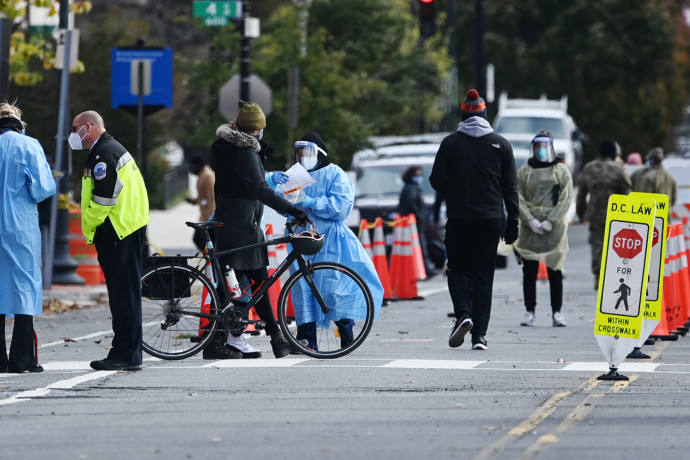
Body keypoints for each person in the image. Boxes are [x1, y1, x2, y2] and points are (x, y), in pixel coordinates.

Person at [267, 132, 384, 350]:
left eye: (307, 153)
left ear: (319, 154)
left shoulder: (335, 174)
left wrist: (311, 201)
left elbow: (340, 207)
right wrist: (278, 189)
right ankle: (307, 340)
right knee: (301, 288)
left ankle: (346, 333)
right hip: (300, 237)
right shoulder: (294, 176)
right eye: (300, 153)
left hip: (329, 239)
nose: (303, 157)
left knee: (331, 287)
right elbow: (283, 205)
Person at [211, 100, 310, 359]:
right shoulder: (244, 152)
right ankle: (227, 340)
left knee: (245, 283)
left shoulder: (234, 148)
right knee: (244, 283)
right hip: (240, 225)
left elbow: (247, 183)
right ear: (257, 129)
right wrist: (292, 209)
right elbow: (257, 188)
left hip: (238, 222)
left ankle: (254, 339)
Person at [430, 89, 519, 351]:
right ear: (484, 115)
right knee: (483, 276)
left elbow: (436, 181)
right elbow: (510, 188)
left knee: (457, 269)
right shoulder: (501, 144)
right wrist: (512, 222)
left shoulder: (451, 143)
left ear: (463, 115)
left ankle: (463, 314)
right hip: (490, 220)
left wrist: (455, 191)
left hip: (459, 218)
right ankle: (479, 336)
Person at [71, 110, 149, 371]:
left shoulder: (103, 153)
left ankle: (124, 354)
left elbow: (105, 197)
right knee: (125, 295)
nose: (73, 135)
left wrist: (90, 223)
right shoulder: (108, 149)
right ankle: (128, 352)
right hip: (125, 229)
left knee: (122, 296)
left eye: (75, 129)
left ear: (88, 126)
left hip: (116, 231)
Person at [0, 102, 56, 373]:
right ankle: (22, 358)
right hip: (20, 225)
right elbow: (43, 189)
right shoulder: (29, 145)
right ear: (19, 123)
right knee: (24, 286)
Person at [513, 131, 573, 327]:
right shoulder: (524, 171)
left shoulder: (561, 171)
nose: (540, 150)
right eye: (537, 146)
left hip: (553, 230)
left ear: (551, 147)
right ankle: (529, 311)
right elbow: (517, 197)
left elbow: (566, 199)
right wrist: (529, 220)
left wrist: (551, 220)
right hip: (530, 229)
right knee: (529, 272)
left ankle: (557, 313)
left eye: (544, 146)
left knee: (554, 270)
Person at [576, 140, 631, 290]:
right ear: (614, 153)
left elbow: (581, 194)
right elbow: (627, 191)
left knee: (597, 245)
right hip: (616, 214)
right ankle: (613, 277)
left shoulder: (589, 168)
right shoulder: (618, 169)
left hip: (595, 213)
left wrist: (581, 213)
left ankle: (598, 277)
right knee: (615, 246)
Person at [398, 165, 438, 277]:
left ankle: (425, 269)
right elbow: (412, 205)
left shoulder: (410, 188)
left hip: (414, 223)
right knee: (421, 247)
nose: (419, 177)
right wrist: (420, 217)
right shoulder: (411, 189)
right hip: (415, 223)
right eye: (417, 175)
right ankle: (427, 269)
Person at [185, 155, 216, 251]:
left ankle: (212, 260)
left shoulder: (207, 176)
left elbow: (212, 199)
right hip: (206, 217)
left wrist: (209, 220)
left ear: (198, 165)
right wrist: (194, 201)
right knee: (203, 241)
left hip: (208, 218)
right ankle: (212, 260)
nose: (191, 169)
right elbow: (204, 198)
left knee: (198, 239)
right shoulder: (203, 174)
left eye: (192, 166)